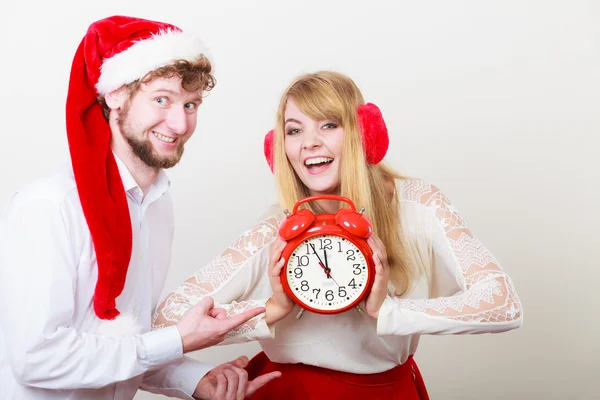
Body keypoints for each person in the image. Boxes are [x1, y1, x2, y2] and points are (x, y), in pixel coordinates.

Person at [152, 70, 524, 399]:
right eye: (295, 130)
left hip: (387, 391)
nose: (309, 142)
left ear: (365, 132)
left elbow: (503, 303)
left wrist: (388, 311)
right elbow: (169, 318)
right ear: (279, 148)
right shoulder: (277, 230)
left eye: (328, 124)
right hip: (294, 391)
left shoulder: (417, 205)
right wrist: (271, 311)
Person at [0, 15, 280, 400]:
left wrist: (197, 380)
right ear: (115, 95)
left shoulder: (158, 206)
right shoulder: (49, 207)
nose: (180, 123)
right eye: (161, 99)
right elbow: (36, 358)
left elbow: (126, 343)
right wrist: (178, 340)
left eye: (191, 104)